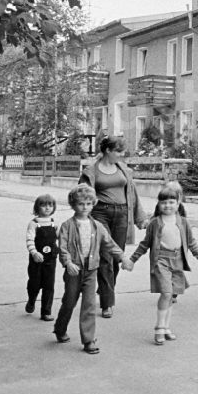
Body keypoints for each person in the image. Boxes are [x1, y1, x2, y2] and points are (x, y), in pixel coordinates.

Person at [122, 183, 198, 346]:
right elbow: (145, 244)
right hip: (161, 260)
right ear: (159, 204)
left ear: (178, 203)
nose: (168, 205)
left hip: (177, 260)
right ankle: (159, 327)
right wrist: (132, 260)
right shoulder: (155, 223)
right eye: (164, 202)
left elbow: (191, 242)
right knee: (166, 293)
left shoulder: (182, 222)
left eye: (171, 202)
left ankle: (166, 327)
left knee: (172, 294)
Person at [53, 184, 131, 355]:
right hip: (74, 270)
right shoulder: (67, 226)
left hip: (91, 270)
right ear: (73, 204)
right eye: (81, 204)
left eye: (88, 204)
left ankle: (88, 340)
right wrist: (67, 263)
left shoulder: (97, 226)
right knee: (69, 302)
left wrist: (123, 257)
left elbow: (110, 244)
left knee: (88, 305)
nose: (85, 207)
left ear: (93, 204)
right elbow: (63, 247)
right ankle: (60, 328)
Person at [79, 136, 148, 319]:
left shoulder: (123, 169)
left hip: (122, 213)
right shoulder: (91, 171)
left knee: (117, 256)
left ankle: (104, 290)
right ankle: (107, 302)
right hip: (100, 213)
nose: (121, 154)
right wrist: (82, 218)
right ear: (107, 150)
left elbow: (132, 193)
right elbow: (82, 194)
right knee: (105, 256)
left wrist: (141, 218)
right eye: (118, 151)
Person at [25, 193, 59, 321]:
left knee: (49, 285)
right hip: (37, 260)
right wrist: (34, 252)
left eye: (50, 205)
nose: (47, 208)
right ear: (37, 207)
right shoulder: (33, 224)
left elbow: (59, 237)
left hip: (51, 259)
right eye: (43, 205)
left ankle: (46, 311)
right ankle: (31, 300)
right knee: (35, 284)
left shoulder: (53, 223)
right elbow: (29, 240)